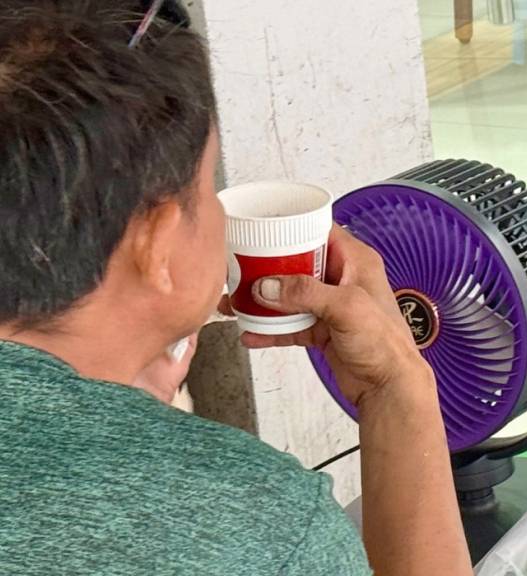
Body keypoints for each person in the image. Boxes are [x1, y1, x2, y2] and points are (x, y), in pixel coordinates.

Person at [0, 1, 472, 574]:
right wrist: (398, 385)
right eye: (207, 186)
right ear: (157, 244)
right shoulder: (260, 526)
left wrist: (118, 394)